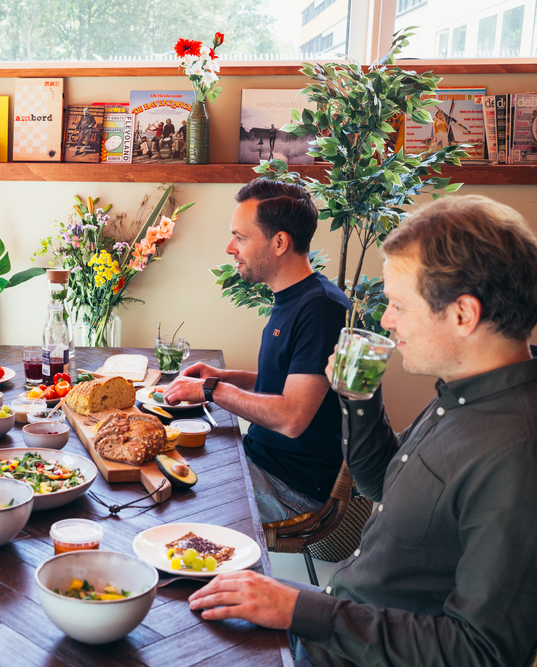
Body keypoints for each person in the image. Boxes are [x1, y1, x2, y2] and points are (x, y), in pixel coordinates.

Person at [187, 194, 537, 667]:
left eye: (398, 306)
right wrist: (357, 397)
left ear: (463, 315)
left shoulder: (515, 450)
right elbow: (379, 483)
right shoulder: (461, 396)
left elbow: (479, 651)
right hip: (335, 620)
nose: (387, 321)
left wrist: (300, 607)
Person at [164, 180, 350, 523]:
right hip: (262, 458)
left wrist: (212, 390)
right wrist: (226, 377)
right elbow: (291, 382)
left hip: (293, 489)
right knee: (155, 455)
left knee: (162, 496)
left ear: (280, 242)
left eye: (241, 237)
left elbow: (292, 418)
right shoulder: (295, 296)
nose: (230, 248)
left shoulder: (320, 308)